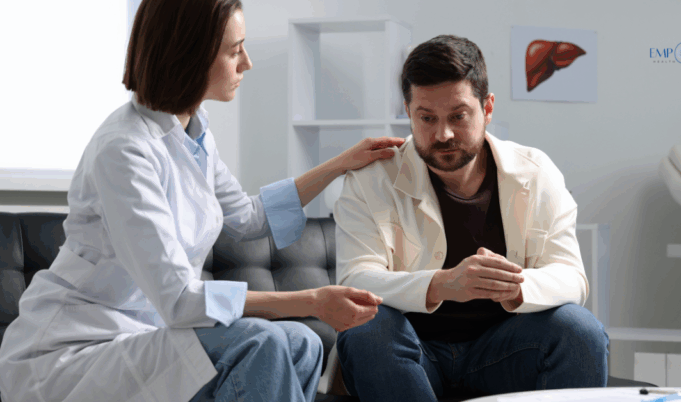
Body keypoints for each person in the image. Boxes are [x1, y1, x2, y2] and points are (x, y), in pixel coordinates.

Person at [0, 1, 404, 401]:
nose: (247, 62)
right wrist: (311, 301)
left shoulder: (193, 133)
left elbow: (249, 218)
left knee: (302, 342)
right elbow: (179, 299)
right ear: (189, 55)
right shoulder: (123, 151)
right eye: (234, 50)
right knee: (260, 341)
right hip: (78, 347)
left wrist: (342, 163)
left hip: (147, 334)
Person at [333, 35, 610, 402]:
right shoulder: (370, 180)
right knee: (368, 328)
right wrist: (442, 285)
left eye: (458, 116)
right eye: (426, 118)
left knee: (580, 331)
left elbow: (572, 278)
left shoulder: (536, 171)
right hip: (410, 349)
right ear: (407, 111)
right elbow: (355, 280)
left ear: (488, 108)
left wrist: (516, 287)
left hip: (506, 350)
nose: (443, 134)